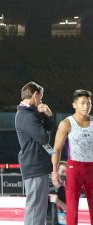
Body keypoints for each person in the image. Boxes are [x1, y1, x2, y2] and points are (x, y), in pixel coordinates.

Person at [15, 81, 55, 225]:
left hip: (37, 164)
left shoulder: (30, 114)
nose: (41, 101)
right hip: (35, 165)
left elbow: (46, 131)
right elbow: (44, 137)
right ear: (35, 95)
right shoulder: (27, 116)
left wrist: (48, 116)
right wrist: (47, 117)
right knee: (35, 207)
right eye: (41, 97)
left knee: (39, 207)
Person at [52, 89, 93, 225]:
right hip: (74, 168)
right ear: (74, 105)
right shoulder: (66, 124)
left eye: (88, 103)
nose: (86, 106)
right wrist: (55, 171)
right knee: (72, 208)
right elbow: (57, 150)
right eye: (82, 103)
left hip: (92, 169)